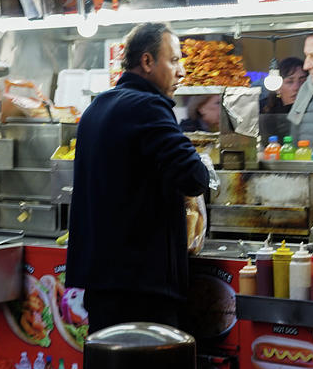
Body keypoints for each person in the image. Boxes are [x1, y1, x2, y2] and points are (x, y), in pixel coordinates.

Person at [66, 22, 210, 333]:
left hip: (101, 285)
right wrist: (203, 161)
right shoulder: (148, 106)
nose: (181, 71)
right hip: (142, 289)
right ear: (147, 62)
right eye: (174, 60)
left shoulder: (96, 108)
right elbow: (194, 178)